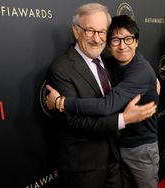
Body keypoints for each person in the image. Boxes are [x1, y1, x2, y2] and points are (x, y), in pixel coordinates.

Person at [45, 4, 157, 188]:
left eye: (102, 32)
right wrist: (123, 119)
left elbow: (132, 64)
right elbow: (75, 122)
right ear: (76, 31)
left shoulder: (107, 56)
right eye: (90, 31)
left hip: (114, 156)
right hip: (84, 166)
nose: (97, 39)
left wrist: (152, 81)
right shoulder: (61, 68)